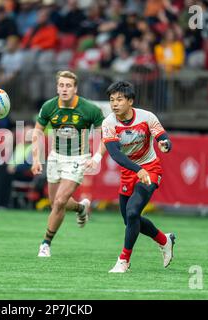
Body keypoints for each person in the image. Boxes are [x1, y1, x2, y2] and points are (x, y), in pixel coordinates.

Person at [101, 81, 175, 273]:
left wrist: (165, 144)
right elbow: (115, 154)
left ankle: (123, 260)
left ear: (130, 101)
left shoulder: (147, 117)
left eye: (119, 99)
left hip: (150, 168)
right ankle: (164, 240)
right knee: (130, 221)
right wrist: (136, 170)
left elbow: (163, 137)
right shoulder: (109, 123)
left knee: (133, 212)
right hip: (129, 171)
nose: (114, 104)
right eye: (111, 100)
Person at [32, 70, 106, 258]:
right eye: (61, 85)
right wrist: (35, 159)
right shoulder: (49, 107)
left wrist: (96, 157)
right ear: (57, 88)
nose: (64, 89)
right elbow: (37, 132)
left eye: (68, 86)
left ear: (75, 89)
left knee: (59, 202)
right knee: (54, 203)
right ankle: (81, 207)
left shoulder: (89, 109)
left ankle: (45, 244)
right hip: (55, 157)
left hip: (78, 159)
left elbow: (106, 135)